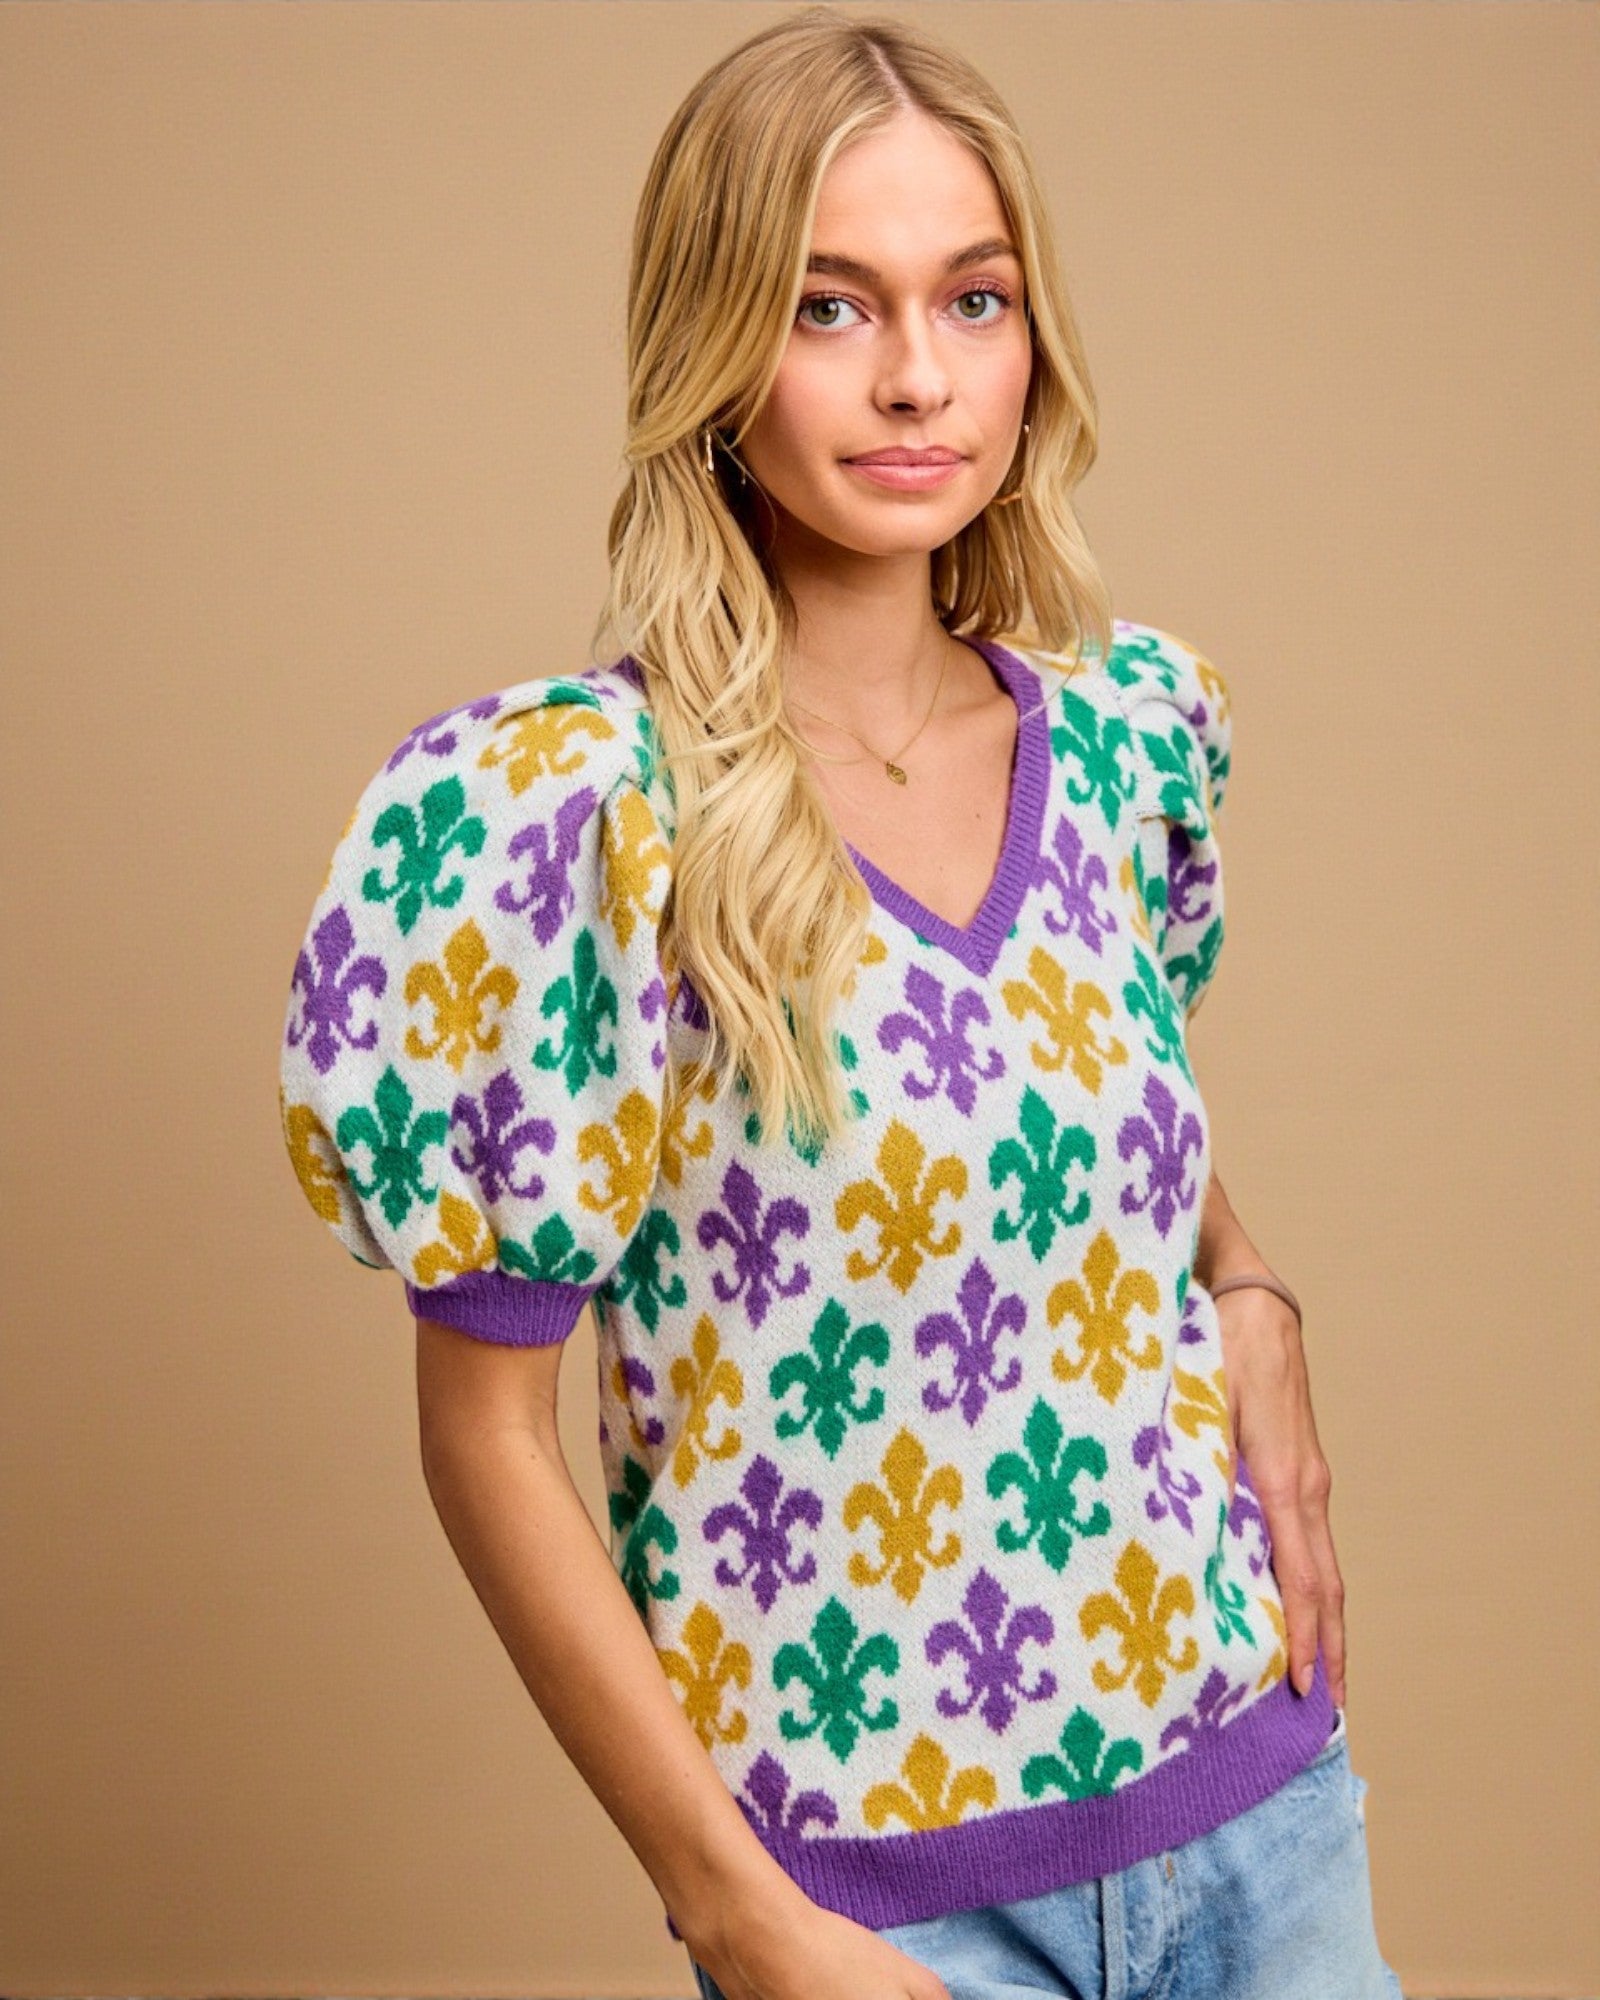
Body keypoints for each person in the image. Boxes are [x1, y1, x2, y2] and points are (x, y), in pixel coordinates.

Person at [277, 10, 1404, 1997]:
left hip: (1259, 1817)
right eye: (827, 305)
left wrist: (1249, 1286)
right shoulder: (579, 821)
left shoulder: (1124, 742)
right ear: (716, 347)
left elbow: (1070, 1127)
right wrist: (736, 1910)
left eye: (973, 298)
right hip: (879, 1912)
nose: (915, 376)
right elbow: (485, 1436)